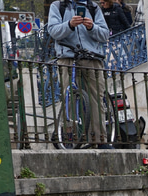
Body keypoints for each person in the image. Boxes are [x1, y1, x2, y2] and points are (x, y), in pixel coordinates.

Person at [47, 0, 111, 148]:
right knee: (69, 97)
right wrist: (69, 25)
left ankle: (99, 139)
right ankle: (71, 137)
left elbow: (104, 34)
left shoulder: (93, 7)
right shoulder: (58, 6)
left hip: (92, 57)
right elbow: (54, 31)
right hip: (68, 57)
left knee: (96, 98)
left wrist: (92, 27)